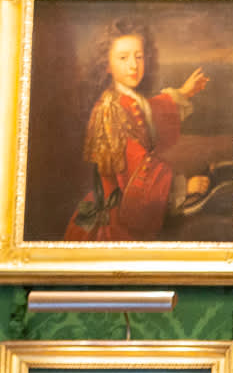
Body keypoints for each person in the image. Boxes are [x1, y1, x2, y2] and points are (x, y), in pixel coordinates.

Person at [65, 18, 213, 242]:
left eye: (139, 56)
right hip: (118, 218)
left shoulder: (126, 99)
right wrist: (181, 188)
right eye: (123, 58)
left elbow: (149, 113)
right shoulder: (111, 111)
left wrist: (184, 92)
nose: (133, 65)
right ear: (106, 64)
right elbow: (139, 173)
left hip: (125, 207)